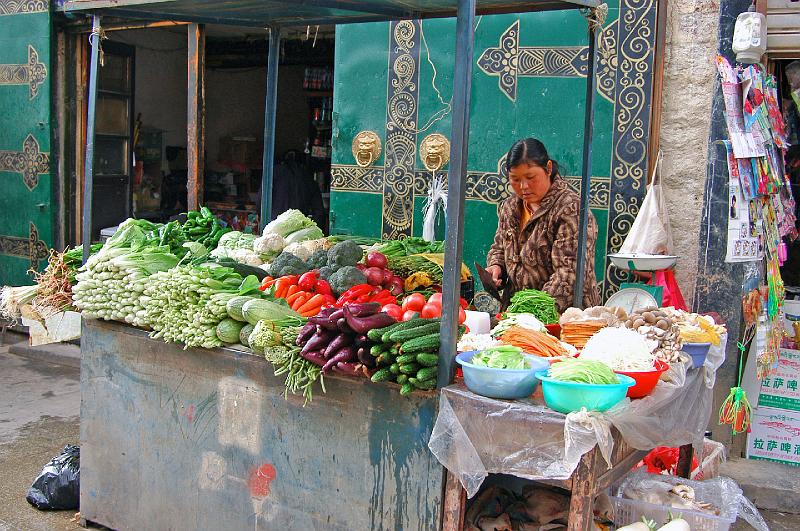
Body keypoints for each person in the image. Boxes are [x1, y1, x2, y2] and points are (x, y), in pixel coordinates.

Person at [486, 138, 601, 312]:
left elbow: (569, 274)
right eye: (515, 179)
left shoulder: (571, 209)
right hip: (517, 311)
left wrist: (531, 311)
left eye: (531, 177)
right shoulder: (510, 207)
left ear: (548, 168)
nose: (523, 186)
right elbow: (499, 247)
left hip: (563, 316)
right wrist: (496, 267)